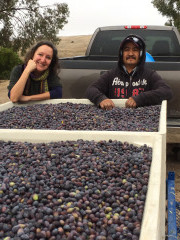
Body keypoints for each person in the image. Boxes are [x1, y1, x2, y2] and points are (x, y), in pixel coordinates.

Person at [85, 34, 173, 110]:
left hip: (142, 121)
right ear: (121, 53)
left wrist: (140, 99)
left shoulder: (150, 75)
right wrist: (101, 99)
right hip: (115, 121)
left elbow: (166, 91)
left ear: (141, 54)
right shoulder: (111, 75)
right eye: (126, 49)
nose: (130, 53)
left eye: (135, 50)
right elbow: (91, 90)